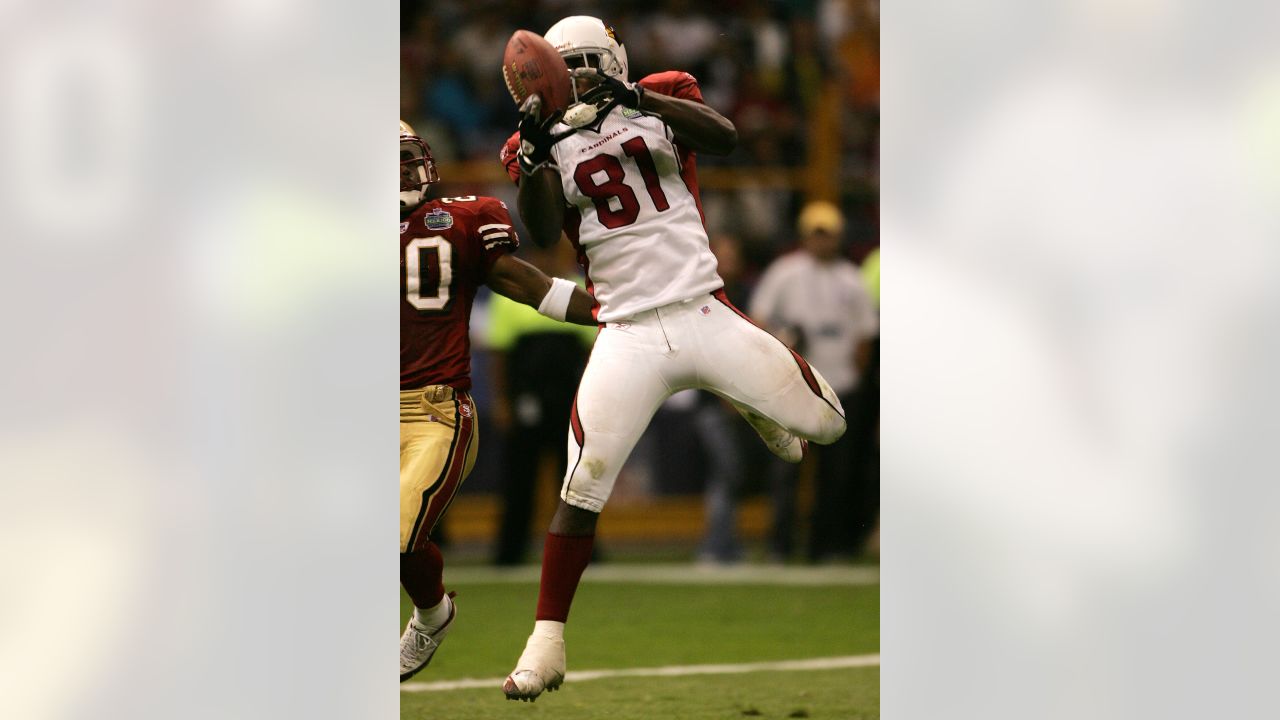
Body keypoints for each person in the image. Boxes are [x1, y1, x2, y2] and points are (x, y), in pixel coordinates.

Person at [496, 17, 847, 701]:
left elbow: (726, 136)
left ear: (612, 61)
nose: (583, 78)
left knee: (827, 427)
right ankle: (545, 643)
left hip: (702, 309)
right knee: (581, 487)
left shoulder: (659, 95)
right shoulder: (529, 143)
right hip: (626, 331)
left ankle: (750, 402)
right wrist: (539, 150)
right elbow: (539, 229)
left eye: (590, 66)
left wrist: (637, 101)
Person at [398, 120, 596, 682]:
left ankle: (431, 616)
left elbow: (530, 286)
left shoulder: (462, 220)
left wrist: (611, 313)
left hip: (434, 411)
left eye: (405, 160)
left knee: (398, 532)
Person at [750, 201, 879, 561]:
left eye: (829, 234)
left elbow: (865, 335)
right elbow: (758, 320)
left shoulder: (851, 278)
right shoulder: (785, 273)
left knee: (836, 474)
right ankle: (780, 544)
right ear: (806, 236)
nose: (823, 241)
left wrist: (856, 375)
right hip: (795, 385)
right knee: (787, 468)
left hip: (839, 384)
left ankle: (826, 545)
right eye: (817, 234)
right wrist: (783, 340)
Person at [486, 243, 596, 566]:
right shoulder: (513, 291)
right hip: (526, 400)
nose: (550, 257)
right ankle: (509, 553)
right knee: (519, 479)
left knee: (577, 480)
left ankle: (585, 553)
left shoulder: (580, 289)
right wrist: (502, 401)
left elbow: (594, 352)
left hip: (570, 399)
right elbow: (498, 354)